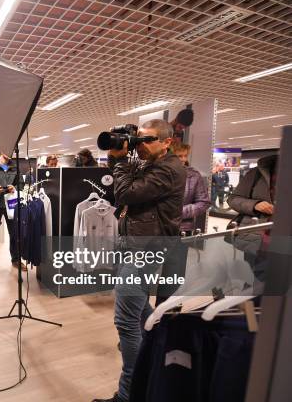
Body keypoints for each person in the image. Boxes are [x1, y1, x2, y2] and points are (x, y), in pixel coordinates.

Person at [93, 119, 186, 402]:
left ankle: (128, 395)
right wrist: (118, 153)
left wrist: (122, 163)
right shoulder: (151, 163)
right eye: (139, 139)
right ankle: (157, 363)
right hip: (135, 246)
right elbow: (120, 177)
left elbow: (124, 193)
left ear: (168, 142)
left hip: (147, 250)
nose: (141, 145)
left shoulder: (170, 169)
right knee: (142, 310)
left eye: (149, 140)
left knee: (125, 321)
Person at [227, 154, 277, 281]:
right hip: (258, 241)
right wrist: (255, 205)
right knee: (252, 284)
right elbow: (233, 199)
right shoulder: (257, 173)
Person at [172, 144, 210, 234]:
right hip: (157, 227)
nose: (184, 159)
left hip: (182, 228)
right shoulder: (159, 174)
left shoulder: (193, 175)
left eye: (185, 156)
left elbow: (203, 202)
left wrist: (179, 213)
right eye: (179, 156)